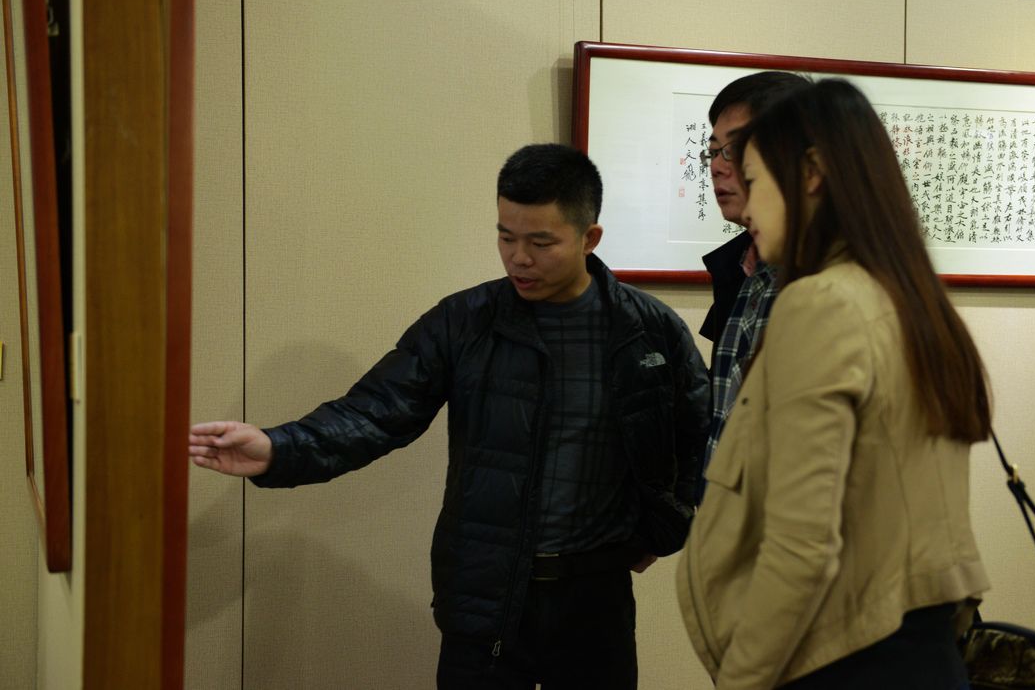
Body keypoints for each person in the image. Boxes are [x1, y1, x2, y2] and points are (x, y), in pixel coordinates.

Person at [190, 143, 710, 690]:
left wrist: (667, 527)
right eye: (506, 237)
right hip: (485, 592)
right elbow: (377, 410)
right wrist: (279, 449)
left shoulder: (649, 329)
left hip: (596, 598)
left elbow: (697, 435)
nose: (518, 258)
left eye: (540, 243)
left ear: (590, 238)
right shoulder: (465, 321)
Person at [677, 80, 992, 689]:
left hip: (846, 653)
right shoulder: (907, 297)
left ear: (812, 173)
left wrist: (743, 679)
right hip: (919, 646)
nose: (748, 206)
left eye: (756, 181)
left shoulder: (821, 302)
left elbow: (802, 545)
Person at [697, 72, 810, 498]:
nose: (718, 166)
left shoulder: (837, 280)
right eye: (713, 151)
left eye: (736, 149)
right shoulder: (743, 269)